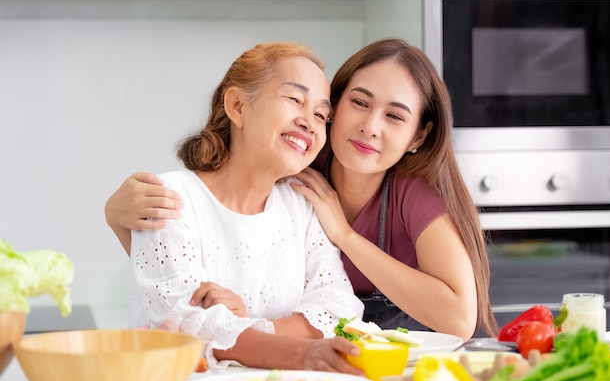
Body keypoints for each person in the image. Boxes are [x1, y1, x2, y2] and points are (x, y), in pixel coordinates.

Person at [105, 38, 498, 340]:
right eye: (358, 103)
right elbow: (186, 279)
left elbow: (458, 320)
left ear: (419, 136)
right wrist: (118, 217)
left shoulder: (412, 194)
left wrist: (343, 235)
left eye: (395, 116)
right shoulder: (296, 173)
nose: (370, 126)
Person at [111, 42, 365, 372]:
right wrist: (300, 351)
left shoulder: (301, 206)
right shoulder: (171, 197)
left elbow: (340, 309)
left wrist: (254, 325)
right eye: (294, 99)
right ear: (238, 106)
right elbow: (187, 325)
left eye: (321, 115)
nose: (310, 122)